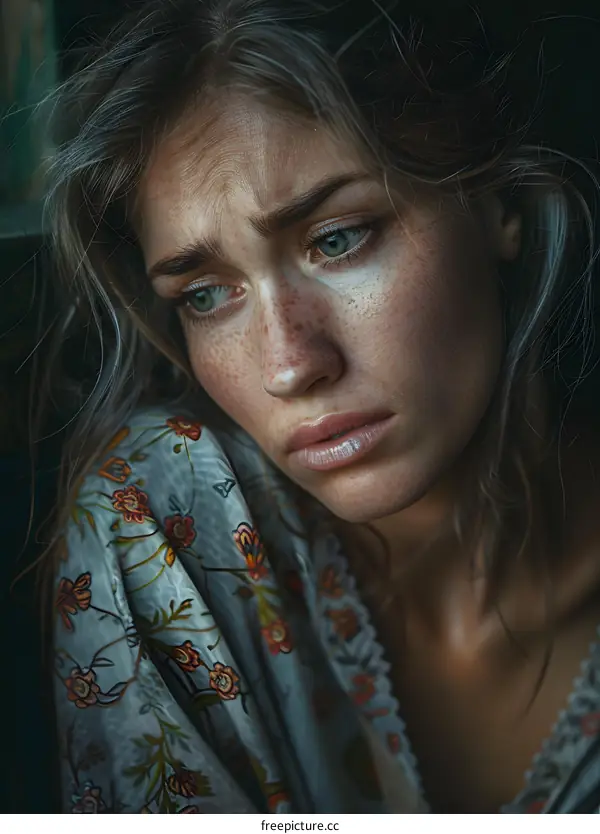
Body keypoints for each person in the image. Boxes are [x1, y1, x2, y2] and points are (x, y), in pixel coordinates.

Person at [45, 0, 600, 814]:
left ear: (493, 203)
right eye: (207, 294)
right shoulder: (165, 524)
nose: (289, 365)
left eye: (337, 239)